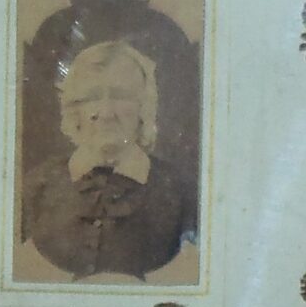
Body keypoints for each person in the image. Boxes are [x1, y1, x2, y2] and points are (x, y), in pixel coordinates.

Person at [21, 39, 195, 279]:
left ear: (143, 107)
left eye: (120, 96)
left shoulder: (181, 192)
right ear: (74, 109)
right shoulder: (35, 188)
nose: (105, 113)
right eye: (91, 97)